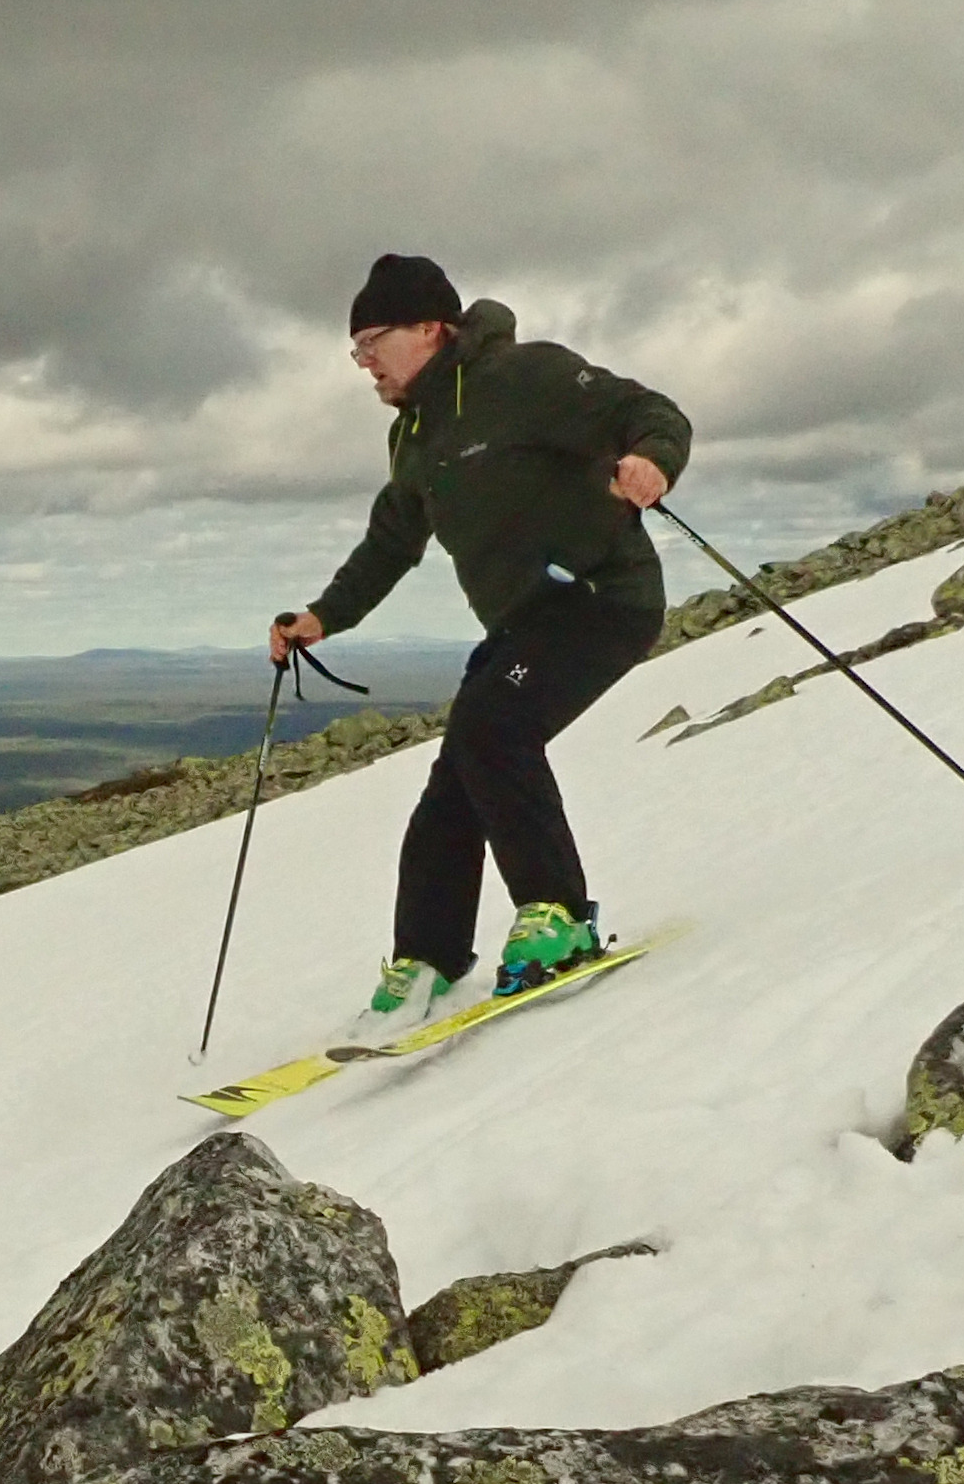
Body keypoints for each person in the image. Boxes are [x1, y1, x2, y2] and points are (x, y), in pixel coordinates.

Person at [270, 252, 689, 1054]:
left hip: (602, 599)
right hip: (525, 624)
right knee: (456, 778)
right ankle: (425, 960)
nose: (363, 363)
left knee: (494, 727)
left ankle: (558, 918)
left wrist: (652, 460)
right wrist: (322, 617)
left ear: (431, 329)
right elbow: (392, 541)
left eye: (372, 343)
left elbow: (646, 410)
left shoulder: (523, 377)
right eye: (356, 349)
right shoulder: (414, 434)